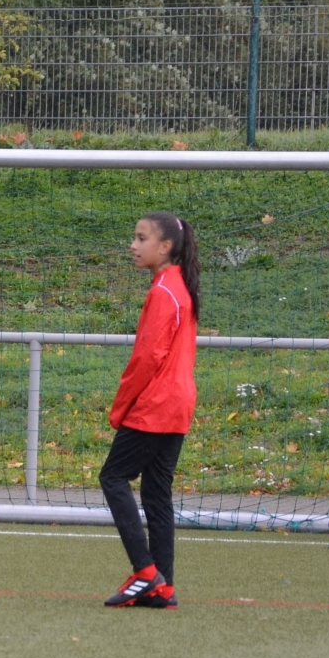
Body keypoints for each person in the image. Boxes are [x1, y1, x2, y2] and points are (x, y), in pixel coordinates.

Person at [100, 213, 199, 610]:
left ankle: (145, 571)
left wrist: (121, 407)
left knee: (113, 477)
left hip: (156, 405)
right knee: (157, 492)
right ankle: (164, 586)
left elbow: (146, 359)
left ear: (166, 247)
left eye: (141, 238)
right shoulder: (178, 287)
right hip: (177, 404)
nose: (133, 244)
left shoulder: (165, 292)